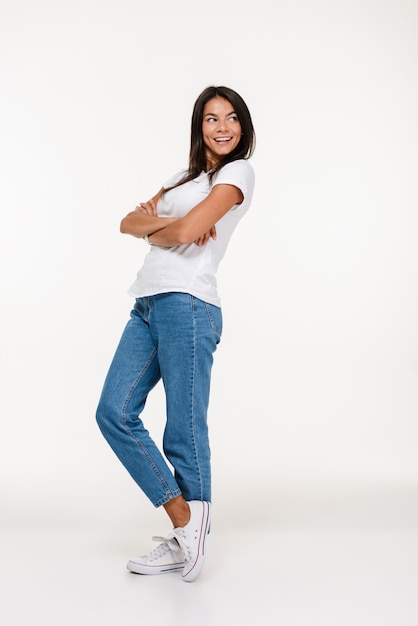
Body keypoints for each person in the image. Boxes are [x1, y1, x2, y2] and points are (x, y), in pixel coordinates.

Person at [96, 85, 256, 582]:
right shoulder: (183, 177)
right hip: (147, 300)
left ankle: (191, 529)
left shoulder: (238, 174)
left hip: (189, 302)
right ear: (199, 126)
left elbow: (186, 234)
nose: (222, 127)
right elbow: (126, 221)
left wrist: (165, 226)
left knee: (184, 428)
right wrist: (166, 225)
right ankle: (186, 522)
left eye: (231, 118)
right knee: (114, 412)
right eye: (212, 119)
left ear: (243, 126)